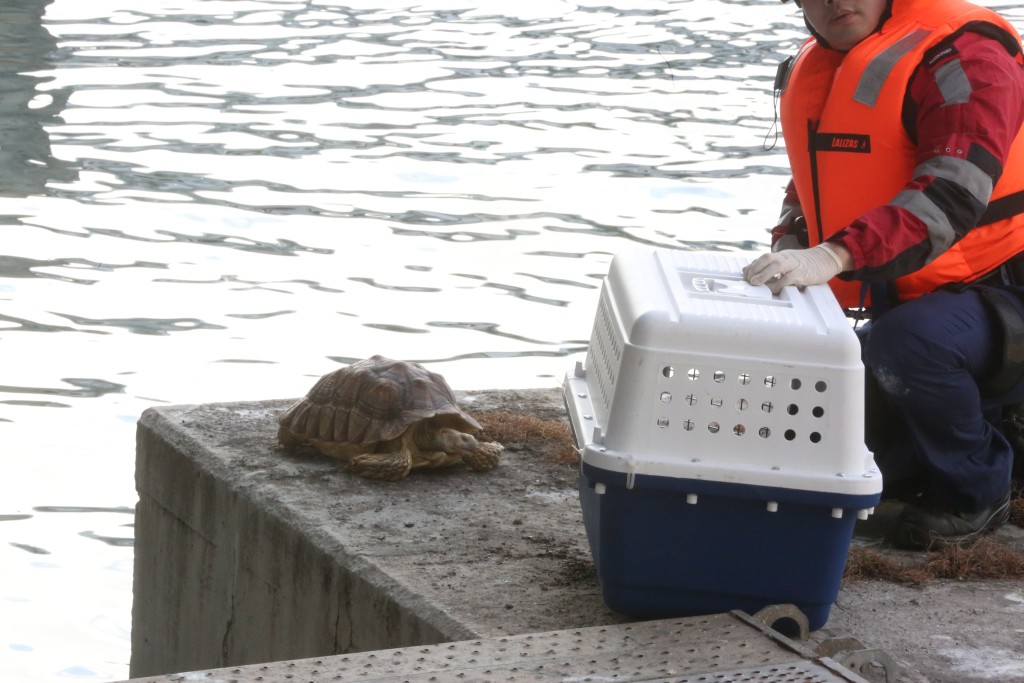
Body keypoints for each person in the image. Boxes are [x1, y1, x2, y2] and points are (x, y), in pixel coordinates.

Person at [743, 0, 1024, 549]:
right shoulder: (820, 66)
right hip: (924, 301)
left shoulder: (965, 55)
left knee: (908, 347)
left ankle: (979, 494)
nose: (835, 0)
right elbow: (814, 180)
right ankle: (971, 440)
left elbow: (952, 194)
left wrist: (835, 256)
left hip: (1003, 291)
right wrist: (794, 238)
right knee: (834, 450)